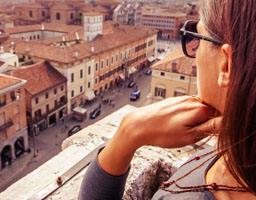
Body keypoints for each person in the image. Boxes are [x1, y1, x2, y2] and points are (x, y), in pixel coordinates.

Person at [79, 0, 256, 199]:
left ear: (226, 66)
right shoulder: (239, 151)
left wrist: (128, 133)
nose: (194, 53)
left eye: (197, 40)